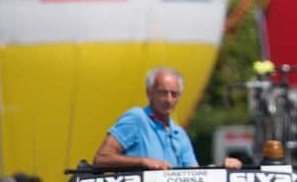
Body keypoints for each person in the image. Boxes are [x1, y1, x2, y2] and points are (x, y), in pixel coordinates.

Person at [93, 67, 242, 171]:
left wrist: (222, 168)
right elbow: (101, 159)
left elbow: (195, 175)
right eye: (163, 93)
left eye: (174, 94)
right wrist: (142, 162)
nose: (169, 99)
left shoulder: (179, 133)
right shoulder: (137, 118)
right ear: (149, 93)